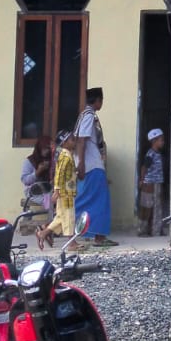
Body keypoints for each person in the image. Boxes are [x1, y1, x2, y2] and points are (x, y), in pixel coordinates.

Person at [71, 88, 115, 247]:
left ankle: (98, 235)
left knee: (90, 200)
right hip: (92, 165)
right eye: (101, 100)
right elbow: (81, 140)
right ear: (97, 100)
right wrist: (81, 164)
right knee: (95, 201)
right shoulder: (89, 116)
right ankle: (56, 227)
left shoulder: (85, 115)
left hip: (90, 164)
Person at [42, 129, 77, 248]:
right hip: (66, 192)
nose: (74, 141)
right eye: (72, 140)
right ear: (64, 142)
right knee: (69, 216)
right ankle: (71, 243)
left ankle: (43, 233)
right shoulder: (66, 155)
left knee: (61, 217)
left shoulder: (65, 154)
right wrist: (57, 190)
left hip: (66, 191)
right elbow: (60, 174)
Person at [138, 128, 166, 236]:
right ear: (154, 141)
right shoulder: (150, 154)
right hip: (149, 184)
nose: (163, 142)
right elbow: (144, 167)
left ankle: (156, 230)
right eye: (161, 140)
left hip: (157, 183)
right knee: (147, 207)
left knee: (157, 207)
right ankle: (143, 230)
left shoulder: (158, 154)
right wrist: (142, 180)